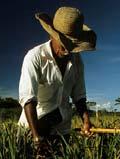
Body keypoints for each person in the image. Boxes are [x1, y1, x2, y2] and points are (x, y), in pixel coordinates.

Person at [18, 6, 97, 151]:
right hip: (35, 127)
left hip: (62, 129)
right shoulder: (35, 57)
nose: (67, 50)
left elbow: (79, 96)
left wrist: (86, 120)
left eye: (72, 45)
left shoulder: (77, 61)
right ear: (52, 36)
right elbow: (28, 99)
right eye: (64, 43)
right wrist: (36, 138)